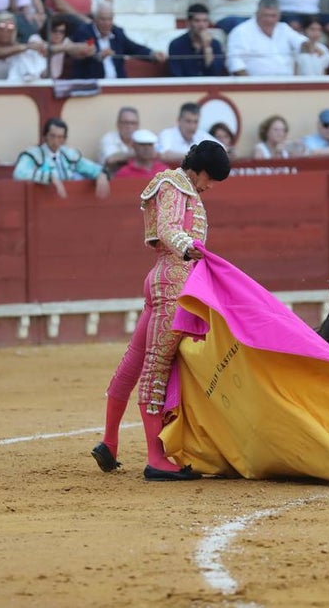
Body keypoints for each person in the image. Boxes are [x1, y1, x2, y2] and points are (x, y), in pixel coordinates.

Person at [90, 139, 231, 481]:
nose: (209, 186)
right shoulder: (174, 184)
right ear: (199, 170)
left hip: (165, 278)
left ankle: (109, 442)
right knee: (157, 367)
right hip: (174, 282)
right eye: (210, 179)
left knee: (135, 361)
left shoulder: (179, 186)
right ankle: (156, 458)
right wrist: (189, 249)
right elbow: (169, 228)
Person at [13, 117, 111, 200]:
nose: (56, 141)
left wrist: (101, 174)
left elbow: (90, 168)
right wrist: (50, 177)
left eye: (60, 137)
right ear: (45, 136)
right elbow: (19, 173)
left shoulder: (69, 155)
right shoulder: (33, 154)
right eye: (52, 136)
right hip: (42, 202)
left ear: (65, 139)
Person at [67, 2, 165, 79]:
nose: (106, 23)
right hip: (92, 84)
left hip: (117, 84)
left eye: (109, 19)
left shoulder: (117, 32)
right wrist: (99, 55)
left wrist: (152, 54)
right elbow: (86, 49)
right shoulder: (86, 32)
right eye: (103, 19)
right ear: (95, 19)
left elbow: (134, 48)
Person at [225, 0, 307, 76]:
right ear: (257, 14)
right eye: (265, 15)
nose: (269, 20)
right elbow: (234, 61)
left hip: (286, 82)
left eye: (273, 16)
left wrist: (309, 46)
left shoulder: (284, 28)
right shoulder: (241, 31)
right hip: (255, 83)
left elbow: (301, 42)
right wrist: (248, 83)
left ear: (279, 16)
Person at [168, 2, 226, 77]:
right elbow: (176, 74)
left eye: (205, 21)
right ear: (188, 22)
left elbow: (216, 73)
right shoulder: (176, 44)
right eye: (197, 21)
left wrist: (207, 47)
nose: (202, 25)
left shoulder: (215, 44)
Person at [99, 106, 140, 173]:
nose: (129, 126)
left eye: (133, 123)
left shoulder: (143, 138)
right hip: (113, 180)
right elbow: (111, 159)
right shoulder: (109, 138)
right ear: (118, 124)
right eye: (125, 123)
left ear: (138, 126)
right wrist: (140, 154)